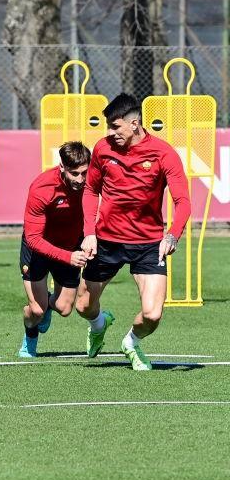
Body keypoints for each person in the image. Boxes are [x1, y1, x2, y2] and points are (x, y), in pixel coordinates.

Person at [77, 93, 190, 370]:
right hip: (106, 241)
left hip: (149, 244)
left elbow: (183, 201)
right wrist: (89, 232)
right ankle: (100, 323)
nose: (110, 133)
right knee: (83, 307)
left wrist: (172, 234)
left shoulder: (164, 153)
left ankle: (131, 342)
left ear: (135, 123)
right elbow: (91, 190)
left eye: (115, 127)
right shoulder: (103, 149)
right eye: (109, 127)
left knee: (152, 315)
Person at [17, 141, 91, 358]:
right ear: (62, 167)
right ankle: (30, 339)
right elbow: (33, 239)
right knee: (37, 311)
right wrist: (68, 257)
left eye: (84, 172)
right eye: (74, 173)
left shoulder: (92, 182)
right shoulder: (42, 188)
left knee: (65, 308)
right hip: (39, 248)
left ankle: (49, 303)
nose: (81, 179)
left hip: (71, 246)